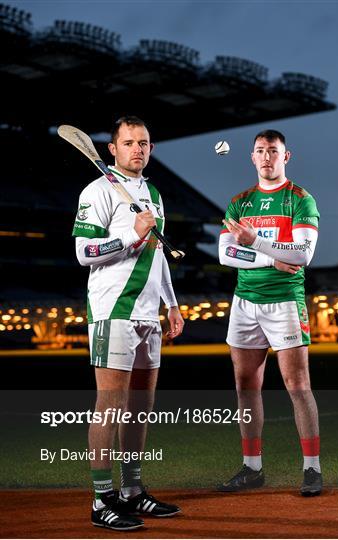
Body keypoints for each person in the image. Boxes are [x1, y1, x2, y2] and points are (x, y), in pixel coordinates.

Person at [72, 115, 184, 530]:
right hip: (113, 309)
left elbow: (156, 254)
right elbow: (84, 251)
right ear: (112, 149)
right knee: (111, 405)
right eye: (130, 142)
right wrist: (130, 237)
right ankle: (102, 500)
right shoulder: (97, 190)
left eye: (145, 142)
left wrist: (171, 304)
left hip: (149, 313)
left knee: (140, 406)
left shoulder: (153, 192)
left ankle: (132, 491)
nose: (138, 148)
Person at [217, 129, 322, 497]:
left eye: (273, 151)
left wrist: (256, 242)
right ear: (252, 157)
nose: (266, 157)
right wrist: (271, 257)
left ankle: (311, 469)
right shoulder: (239, 202)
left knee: (298, 385)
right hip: (244, 302)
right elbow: (225, 255)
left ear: (286, 156)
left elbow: (303, 255)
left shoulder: (301, 200)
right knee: (246, 386)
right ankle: (252, 467)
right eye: (260, 151)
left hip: (285, 303)